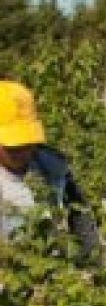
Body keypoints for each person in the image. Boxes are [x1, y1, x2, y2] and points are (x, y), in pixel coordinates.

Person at [0, 80, 100, 259]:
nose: (23, 151)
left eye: (27, 142)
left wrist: (93, 263)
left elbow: (80, 218)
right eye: (13, 146)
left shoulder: (52, 167)